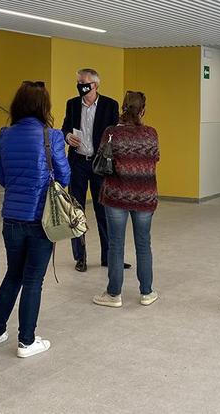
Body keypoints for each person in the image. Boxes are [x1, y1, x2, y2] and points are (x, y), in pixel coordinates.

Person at [0, 81, 70, 358]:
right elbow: (65, 177)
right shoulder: (52, 136)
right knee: (33, 280)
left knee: (13, 274)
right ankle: (26, 341)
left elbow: (2, 178)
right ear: (43, 106)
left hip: (10, 216)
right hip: (40, 219)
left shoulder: (4, 135)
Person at [92, 91, 160, 308]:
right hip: (144, 197)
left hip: (116, 196)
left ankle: (114, 294)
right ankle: (147, 292)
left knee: (116, 245)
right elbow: (155, 157)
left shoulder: (111, 133)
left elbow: (101, 159)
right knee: (143, 244)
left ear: (123, 108)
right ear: (143, 110)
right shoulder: (151, 133)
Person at [61, 68, 127, 272]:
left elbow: (115, 134)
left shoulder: (110, 105)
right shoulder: (72, 104)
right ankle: (80, 257)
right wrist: (66, 136)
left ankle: (108, 257)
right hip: (78, 162)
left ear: (95, 85)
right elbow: (65, 127)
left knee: (103, 211)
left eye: (84, 82)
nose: (81, 85)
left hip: (99, 164)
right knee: (76, 211)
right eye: (79, 81)